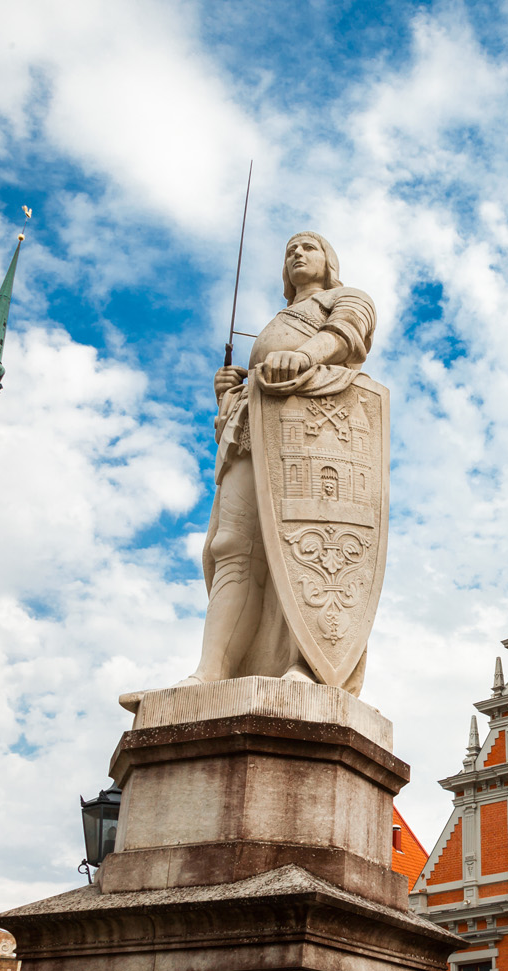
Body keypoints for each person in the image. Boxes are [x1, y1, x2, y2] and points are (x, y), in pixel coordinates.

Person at [182, 232, 377, 691]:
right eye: (290, 249)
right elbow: (261, 380)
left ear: (329, 260)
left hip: (316, 427)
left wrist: (303, 356)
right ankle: (212, 672)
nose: (296, 253)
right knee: (231, 546)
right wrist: (229, 392)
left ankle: (311, 664)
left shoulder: (346, 297)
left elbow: (346, 333)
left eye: (308, 247)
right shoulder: (280, 315)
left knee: (311, 545)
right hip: (255, 423)